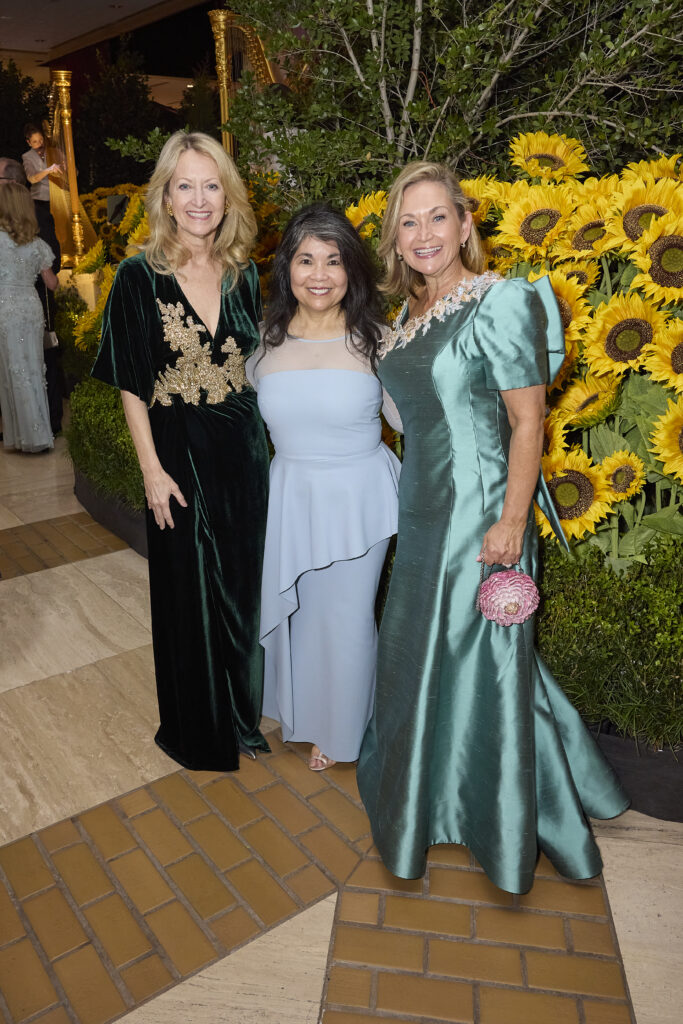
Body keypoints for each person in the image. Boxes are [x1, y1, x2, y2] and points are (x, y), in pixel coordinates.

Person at [356, 162, 628, 893]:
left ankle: (498, 821)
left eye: (436, 217)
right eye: (408, 222)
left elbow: (527, 420)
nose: (423, 234)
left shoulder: (499, 300)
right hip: (421, 514)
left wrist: (511, 521)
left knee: (486, 662)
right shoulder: (407, 317)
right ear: (394, 238)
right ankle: (436, 794)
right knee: (427, 655)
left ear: (464, 223)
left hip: (480, 516)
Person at [91, 130, 270, 771]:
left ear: (228, 195)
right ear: (165, 197)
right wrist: (151, 469)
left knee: (242, 588)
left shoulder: (246, 273)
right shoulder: (137, 277)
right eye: (185, 186)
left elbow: (262, 364)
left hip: (243, 449)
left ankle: (243, 715)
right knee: (187, 590)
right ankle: (200, 729)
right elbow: (131, 383)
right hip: (176, 449)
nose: (199, 199)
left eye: (211, 185)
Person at [246, 204, 400, 771]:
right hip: (292, 494)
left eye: (333, 261)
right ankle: (308, 713)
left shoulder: (377, 339)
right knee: (305, 613)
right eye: (306, 259)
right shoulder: (263, 341)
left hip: (360, 496)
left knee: (349, 616)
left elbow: (411, 421)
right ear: (286, 266)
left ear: (351, 269)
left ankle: (342, 729)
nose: (319, 274)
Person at [0, 181, 57, 452]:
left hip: (5, 309)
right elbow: (52, 284)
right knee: (33, 371)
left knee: (12, 372)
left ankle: (19, 437)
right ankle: (38, 435)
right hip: (30, 308)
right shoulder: (37, 244)